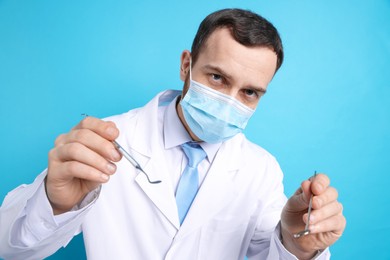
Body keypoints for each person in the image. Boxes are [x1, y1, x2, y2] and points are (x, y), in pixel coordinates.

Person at [0, 8, 346, 259]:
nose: (230, 101)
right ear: (186, 65)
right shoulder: (105, 141)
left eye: (249, 92)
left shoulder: (261, 170)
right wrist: (55, 202)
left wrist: (296, 245)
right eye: (217, 78)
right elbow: (10, 248)